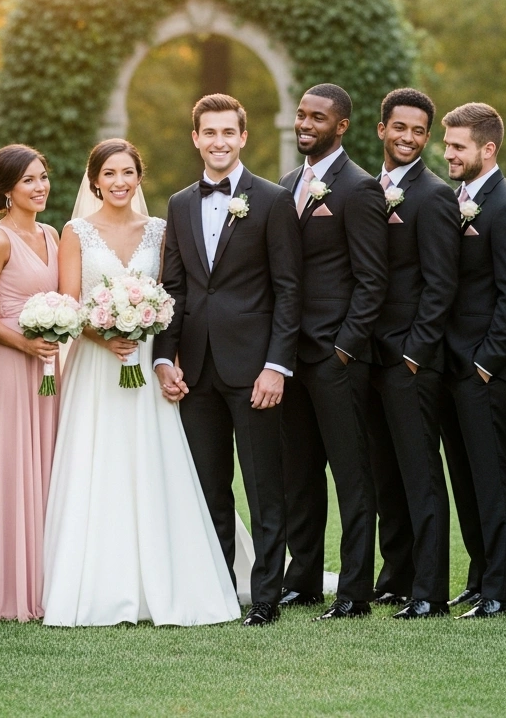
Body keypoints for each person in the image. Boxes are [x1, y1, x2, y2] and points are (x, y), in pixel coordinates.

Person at [42, 139, 240, 627]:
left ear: (139, 177)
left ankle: (169, 575)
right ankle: (101, 582)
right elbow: (69, 303)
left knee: (155, 460)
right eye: (109, 173)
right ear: (94, 181)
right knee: (99, 462)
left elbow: (176, 296)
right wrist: (105, 333)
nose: (119, 182)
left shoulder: (159, 231)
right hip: (96, 366)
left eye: (128, 172)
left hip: (147, 362)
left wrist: (160, 352)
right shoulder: (76, 232)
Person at [154, 96, 303, 626]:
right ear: (195, 137)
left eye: (227, 133)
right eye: (208, 132)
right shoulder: (177, 203)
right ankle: (216, 589)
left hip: (254, 367)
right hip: (194, 370)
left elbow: (289, 290)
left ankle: (265, 596)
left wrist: (276, 366)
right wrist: (163, 359)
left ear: (243, 137)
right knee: (206, 486)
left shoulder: (272, 200)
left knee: (264, 486)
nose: (218, 141)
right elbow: (172, 287)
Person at [277, 84, 387, 620]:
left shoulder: (360, 189)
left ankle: (354, 592)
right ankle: (302, 581)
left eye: (317, 117)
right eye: (301, 115)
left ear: (340, 126)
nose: (305, 124)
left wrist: (344, 349)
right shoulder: (286, 184)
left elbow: (372, 281)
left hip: (336, 358)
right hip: (288, 358)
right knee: (299, 473)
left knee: (351, 475)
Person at [440, 103, 506, 618]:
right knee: (466, 479)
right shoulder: (456, 198)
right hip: (450, 365)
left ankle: (500, 592)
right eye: (448, 145)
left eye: (458, 146)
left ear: (488, 149)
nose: (448, 153)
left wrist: (486, 362)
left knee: (494, 479)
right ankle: (479, 579)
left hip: (485, 370)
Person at [367, 88, 459, 619]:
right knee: (387, 475)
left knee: (422, 476)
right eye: (399, 128)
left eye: (419, 131)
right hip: (370, 358)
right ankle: (396, 576)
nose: (408, 138)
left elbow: (441, 285)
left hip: (409, 360)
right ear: (382, 129)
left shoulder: (434, 195)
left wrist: (414, 354)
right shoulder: (367, 188)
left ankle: (430, 592)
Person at [0, 145, 60, 621]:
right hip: (8, 369)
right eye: (28, 180)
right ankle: (6, 586)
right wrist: (23, 344)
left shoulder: (51, 233)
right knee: (11, 472)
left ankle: (49, 577)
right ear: (6, 190)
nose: (40, 187)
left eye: (43, 177)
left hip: (49, 370)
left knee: (46, 467)